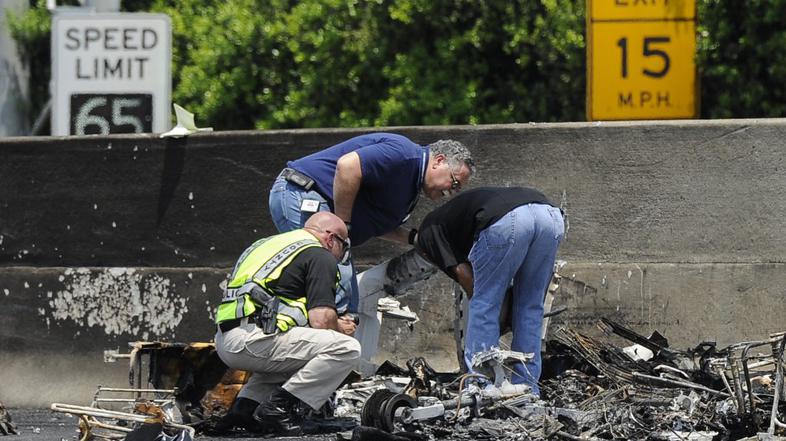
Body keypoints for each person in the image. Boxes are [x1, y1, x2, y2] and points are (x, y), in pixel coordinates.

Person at [268, 132, 475, 312]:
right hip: (301, 192)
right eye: (454, 182)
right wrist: (343, 227)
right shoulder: (403, 154)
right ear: (438, 161)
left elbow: (378, 224)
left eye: (456, 189)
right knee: (334, 287)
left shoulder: (410, 187)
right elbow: (347, 166)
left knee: (345, 296)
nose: (450, 192)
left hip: (311, 200)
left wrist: (415, 238)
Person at [213, 211, 361, 436]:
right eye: (344, 246)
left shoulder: (270, 244)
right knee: (346, 348)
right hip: (251, 339)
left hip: (227, 338)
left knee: (296, 356)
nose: (342, 254)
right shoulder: (320, 255)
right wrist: (342, 328)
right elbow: (321, 321)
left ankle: (243, 411)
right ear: (331, 239)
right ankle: (282, 411)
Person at [415, 187, 564, 396]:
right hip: (550, 216)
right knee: (531, 306)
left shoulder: (427, 235)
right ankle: (528, 389)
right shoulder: (452, 219)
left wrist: (497, 315)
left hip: (509, 220)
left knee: (484, 302)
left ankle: (481, 387)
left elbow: (471, 284)